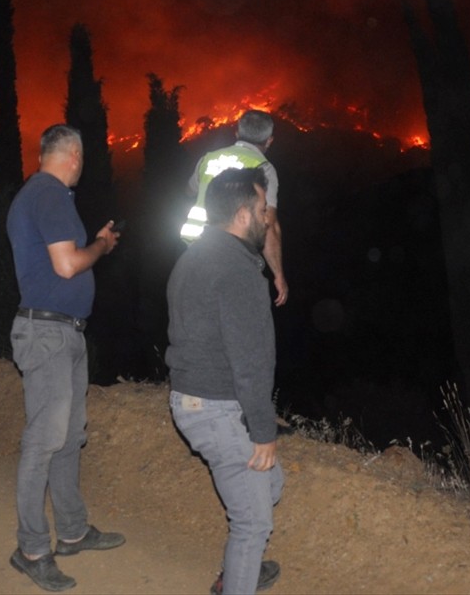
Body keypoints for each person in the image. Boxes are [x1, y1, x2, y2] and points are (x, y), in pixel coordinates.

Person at [4, 124, 125, 592]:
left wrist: (90, 241)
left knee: (69, 437)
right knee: (44, 440)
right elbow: (67, 264)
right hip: (48, 332)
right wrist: (102, 246)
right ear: (73, 154)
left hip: (64, 332)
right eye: (83, 158)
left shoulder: (42, 196)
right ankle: (31, 547)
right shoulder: (50, 194)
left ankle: (72, 530)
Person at [166, 167, 285, 595]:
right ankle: (237, 576)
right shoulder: (237, 270)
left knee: (271, 484)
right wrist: (263, 429)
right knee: (253, 523)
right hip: (217, 407)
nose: (267, 218)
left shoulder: (194, 256)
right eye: (262, 210)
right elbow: (251, 360)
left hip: (190, 398)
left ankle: (235, 571)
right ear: (241, 215)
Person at [180, 109, 288, 306]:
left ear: (237, 134)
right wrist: (278, 274)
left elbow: (189, 191)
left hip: (191, 251)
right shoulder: (263, 168)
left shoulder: (208, 159)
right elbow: (268, 224)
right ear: (269, 140)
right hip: (230, 256)